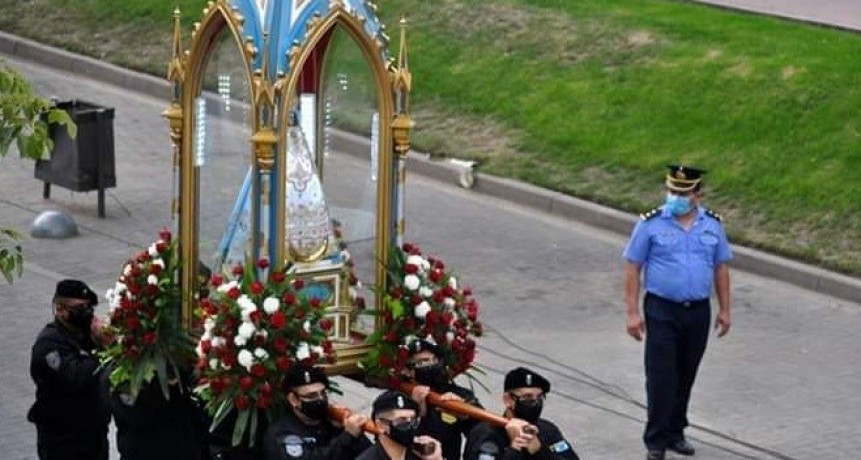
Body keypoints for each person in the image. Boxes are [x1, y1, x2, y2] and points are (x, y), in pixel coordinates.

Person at [623, 165, 733, 460]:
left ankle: (675, 432)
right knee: (661, 376)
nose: (677, 197)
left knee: (686, 373)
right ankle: (656, 441)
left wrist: (725, 309)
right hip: (662, 309)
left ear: (698, 194)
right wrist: (632, 312)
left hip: (697, 311)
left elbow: (720, 267)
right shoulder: (650, 224)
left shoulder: (712, 225)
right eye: (673, 191)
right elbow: (633, 267)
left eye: (683, 192)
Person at [27, 279, 113, 460]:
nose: (87, 314)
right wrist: (104, 349)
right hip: (63, 442)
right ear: (60, 310)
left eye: (89, 308)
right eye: (80, 309)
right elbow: (78, 377)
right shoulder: (49, 345)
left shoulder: (86, 336)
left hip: (94, 438)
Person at [463, 367, 578, 460]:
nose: (535, 403)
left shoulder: (548, 431)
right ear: (508, 400)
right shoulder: (487, 435)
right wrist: (514, 450)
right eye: (527, 397)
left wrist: (540, 451)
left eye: (539, 397)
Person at [263, 364, 371, 460]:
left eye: (323, 393)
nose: (320, 399)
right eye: (311, 396)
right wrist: (347, 437)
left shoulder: (332, 423)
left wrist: (344, 429)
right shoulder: (282, 432)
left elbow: (371, 453)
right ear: (293, 400)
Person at [406, 339, 482, 460]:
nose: (430, 365)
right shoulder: (398, 399)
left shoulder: (455, 394)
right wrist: (414, 414)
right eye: (421, 363)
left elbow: (482, 432)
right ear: (409, 371)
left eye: (434, 360)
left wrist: (465, 415)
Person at [357, 390, 442, 460]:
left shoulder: (420, 454)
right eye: (402, 420)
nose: (410, 425)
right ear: (380, 425)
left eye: (413, 419)